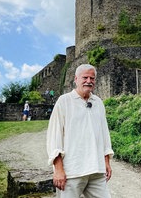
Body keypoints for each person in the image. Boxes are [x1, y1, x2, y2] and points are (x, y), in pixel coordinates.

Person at [46, 64, 114, 198]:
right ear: (76, 79)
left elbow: (104, 134)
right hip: (72, 171)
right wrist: (58, 170)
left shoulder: (98, 102)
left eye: (92, 78)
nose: (89, 81)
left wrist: (106, 162)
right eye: (85, 77)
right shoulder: (64, 101)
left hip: (96, 170)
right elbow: (55, 136)